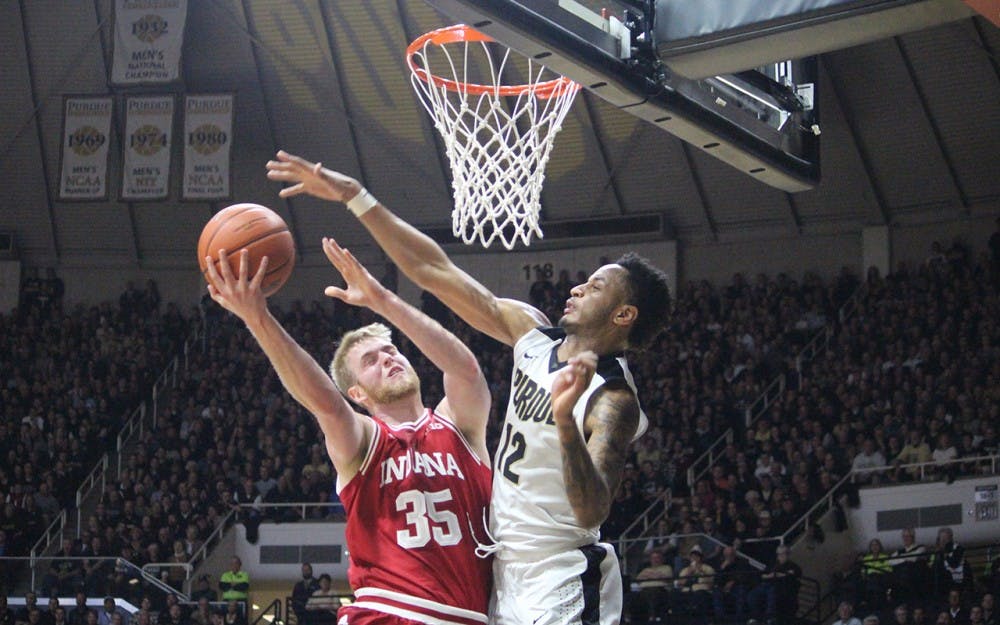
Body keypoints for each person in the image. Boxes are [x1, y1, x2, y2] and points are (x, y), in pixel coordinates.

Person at [267, 150, 671, 625]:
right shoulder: (532, 334)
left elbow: (592, 509)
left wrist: (564, 422)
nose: (579, 288)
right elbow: (435, 270)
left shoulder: (612, 397)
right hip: (501, 574)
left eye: (597, 287)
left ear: (624, 316)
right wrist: (356, 197)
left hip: (560, 572)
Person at [203, 238, 492, 625]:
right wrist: (258, 317)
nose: (388, 359)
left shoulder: (460, 426)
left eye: (391, 351)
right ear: (356, 393)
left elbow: (466, 371)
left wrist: (383, 300)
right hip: (388, 613)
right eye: (371, 361)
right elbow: (325, 402)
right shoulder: (365, 440)